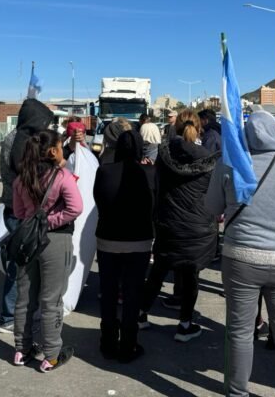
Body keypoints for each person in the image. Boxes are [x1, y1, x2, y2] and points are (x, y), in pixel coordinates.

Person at [206, 111, 275, 397]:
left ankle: (238, 392)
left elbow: (212, 208)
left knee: (239, 330)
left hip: (242, 259)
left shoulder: (229, 164)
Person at [139, 109, 219, 341]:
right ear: (198, 128)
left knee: (158, 271)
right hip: (197, 226)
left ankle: (141, 314)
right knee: (190, 275)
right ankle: (185, 324)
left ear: (176, 127)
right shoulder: (208, 158)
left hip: (168, 221)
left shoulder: (163, 155)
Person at [12, 129, 83, 372]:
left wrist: (34, 222)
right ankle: (51, 354)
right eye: (61, 146)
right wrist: (49, 222)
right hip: (55, 241)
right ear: (53, 151)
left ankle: (21, 349)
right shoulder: (62, 176)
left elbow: (20, 213)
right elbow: (75, 208)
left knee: (24, 298)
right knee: (51, 299)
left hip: (28, 241)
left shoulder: (21, 178)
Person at [93, 130, 155, 363]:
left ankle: (108, 340)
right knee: (133, 293)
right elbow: (155, 204)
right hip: (139, 241)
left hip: (108, 239)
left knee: (108, 291)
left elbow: (98, 200)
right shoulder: (149, 172)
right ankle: (129, 343)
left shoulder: (104, 171)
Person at [0, 99, 54, 334]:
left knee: (23, 265)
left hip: (16, 209)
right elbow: (28, 175)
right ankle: (9, 316)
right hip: (20, 211)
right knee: (19, 267)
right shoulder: (21, 142)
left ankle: (17, 312)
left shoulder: (16, 137)